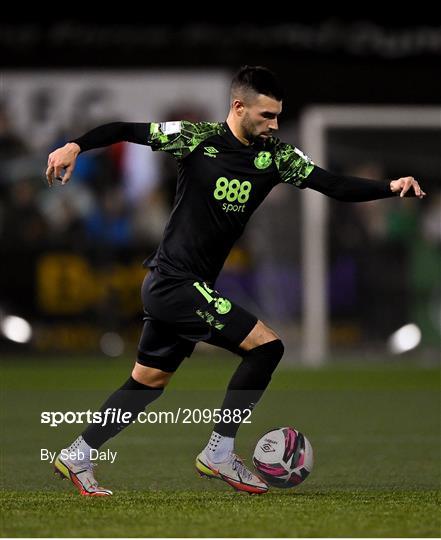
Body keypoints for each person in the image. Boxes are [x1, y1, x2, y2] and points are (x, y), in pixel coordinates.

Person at [45, 65, 426, 497]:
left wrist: (388, 186)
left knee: (147, 382)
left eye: (278, 115)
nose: (274, 124)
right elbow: (124, 129)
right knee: (267, 347)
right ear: (238, 106)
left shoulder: (276, 157)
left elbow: (333, 183)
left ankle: (78, 454)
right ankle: (219, 452)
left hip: (183, 287)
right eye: (266, 115)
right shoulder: (195, 138)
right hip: (173, 282)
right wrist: (75, 145)